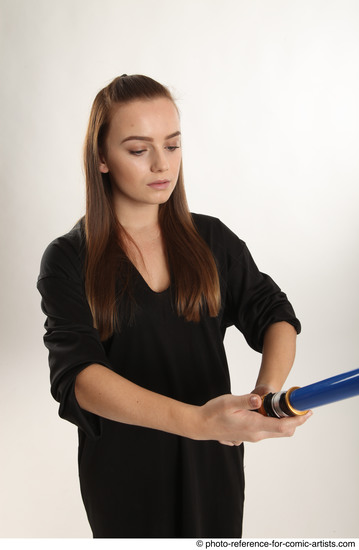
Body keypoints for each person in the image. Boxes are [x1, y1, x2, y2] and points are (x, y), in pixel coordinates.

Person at [37, 74, 311, 538]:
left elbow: (275, 316)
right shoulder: (69, 258)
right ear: (101, 158)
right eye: (139, 150)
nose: (162, 164)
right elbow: (79, 377)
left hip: (214, 473)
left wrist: (264, 397)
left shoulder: (213, 240)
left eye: (174, 145)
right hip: (126, 479)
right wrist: (197, 421)